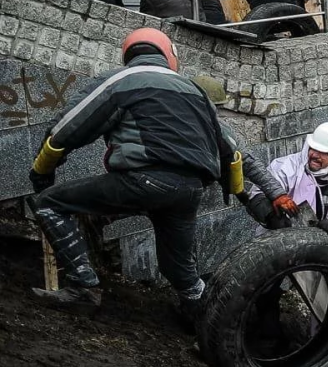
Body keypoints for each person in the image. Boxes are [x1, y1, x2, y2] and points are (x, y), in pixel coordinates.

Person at [29, 28, 284, 312]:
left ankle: (82, 287)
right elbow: (232, 153)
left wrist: (42, 173)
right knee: (181, 272)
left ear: (128, 54)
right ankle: (204, 319)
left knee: (50, 203)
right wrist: (249, 196)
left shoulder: (122, 80)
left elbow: (68, 128)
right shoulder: (194, 91)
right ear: (168, 55)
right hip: (189, 191)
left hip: (142, 182)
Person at [245, 122, 328, 246]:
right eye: (313, 149)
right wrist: (272, 217)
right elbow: (257, 194)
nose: (315, 155)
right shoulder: (285, 167)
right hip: (276, 244)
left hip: (324, 248)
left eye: (322, 152)